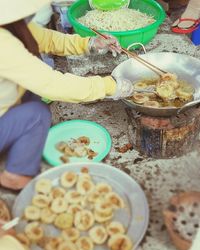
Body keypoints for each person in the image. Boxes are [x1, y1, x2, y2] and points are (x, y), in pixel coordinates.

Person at [0, 0, 134, 191]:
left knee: (31, 93)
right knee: (37, 113)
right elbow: (51, 84)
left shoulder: (9, 23)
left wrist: (89, 43)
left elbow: (45, 38)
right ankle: (14, 176)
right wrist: (108, 86)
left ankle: (22, 146)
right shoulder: (2, 43)